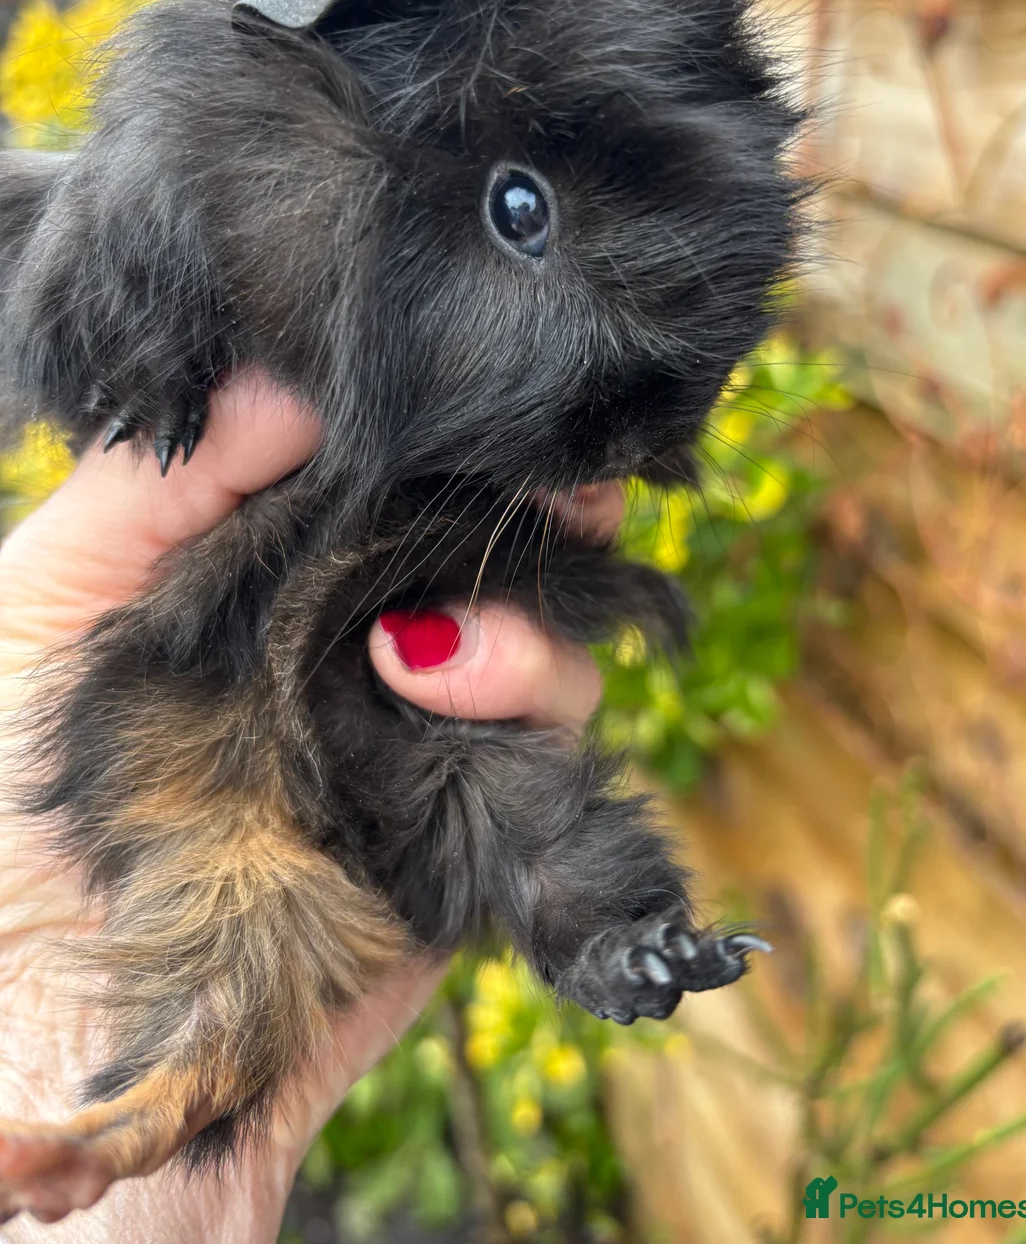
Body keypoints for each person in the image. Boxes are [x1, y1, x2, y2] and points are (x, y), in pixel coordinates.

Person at [0, 369, 621, 1241]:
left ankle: (116, 1134)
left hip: (338, 710)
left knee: (245, 960)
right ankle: (117, 1133)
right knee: (238, 952)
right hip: (201, 710)